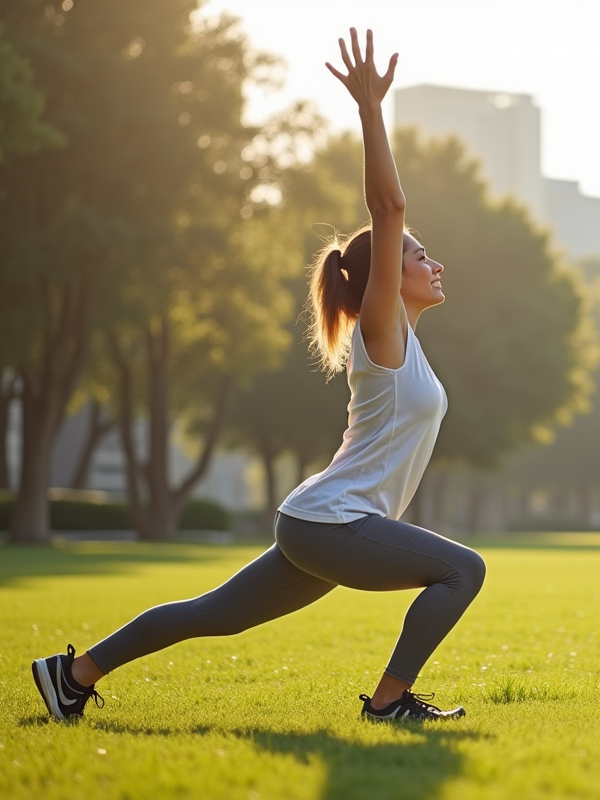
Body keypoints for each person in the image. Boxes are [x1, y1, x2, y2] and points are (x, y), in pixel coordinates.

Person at [31, 29, 485, 725]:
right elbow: (388, 210)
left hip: (320, 521)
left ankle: (73, 674)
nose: (436, 264)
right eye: (421, 256)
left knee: (217, 615)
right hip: (335, 522)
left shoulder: (405, 347)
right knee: (464, 571)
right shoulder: (381, 329)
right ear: (388, 276)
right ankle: (391, 703)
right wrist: (370, 111)